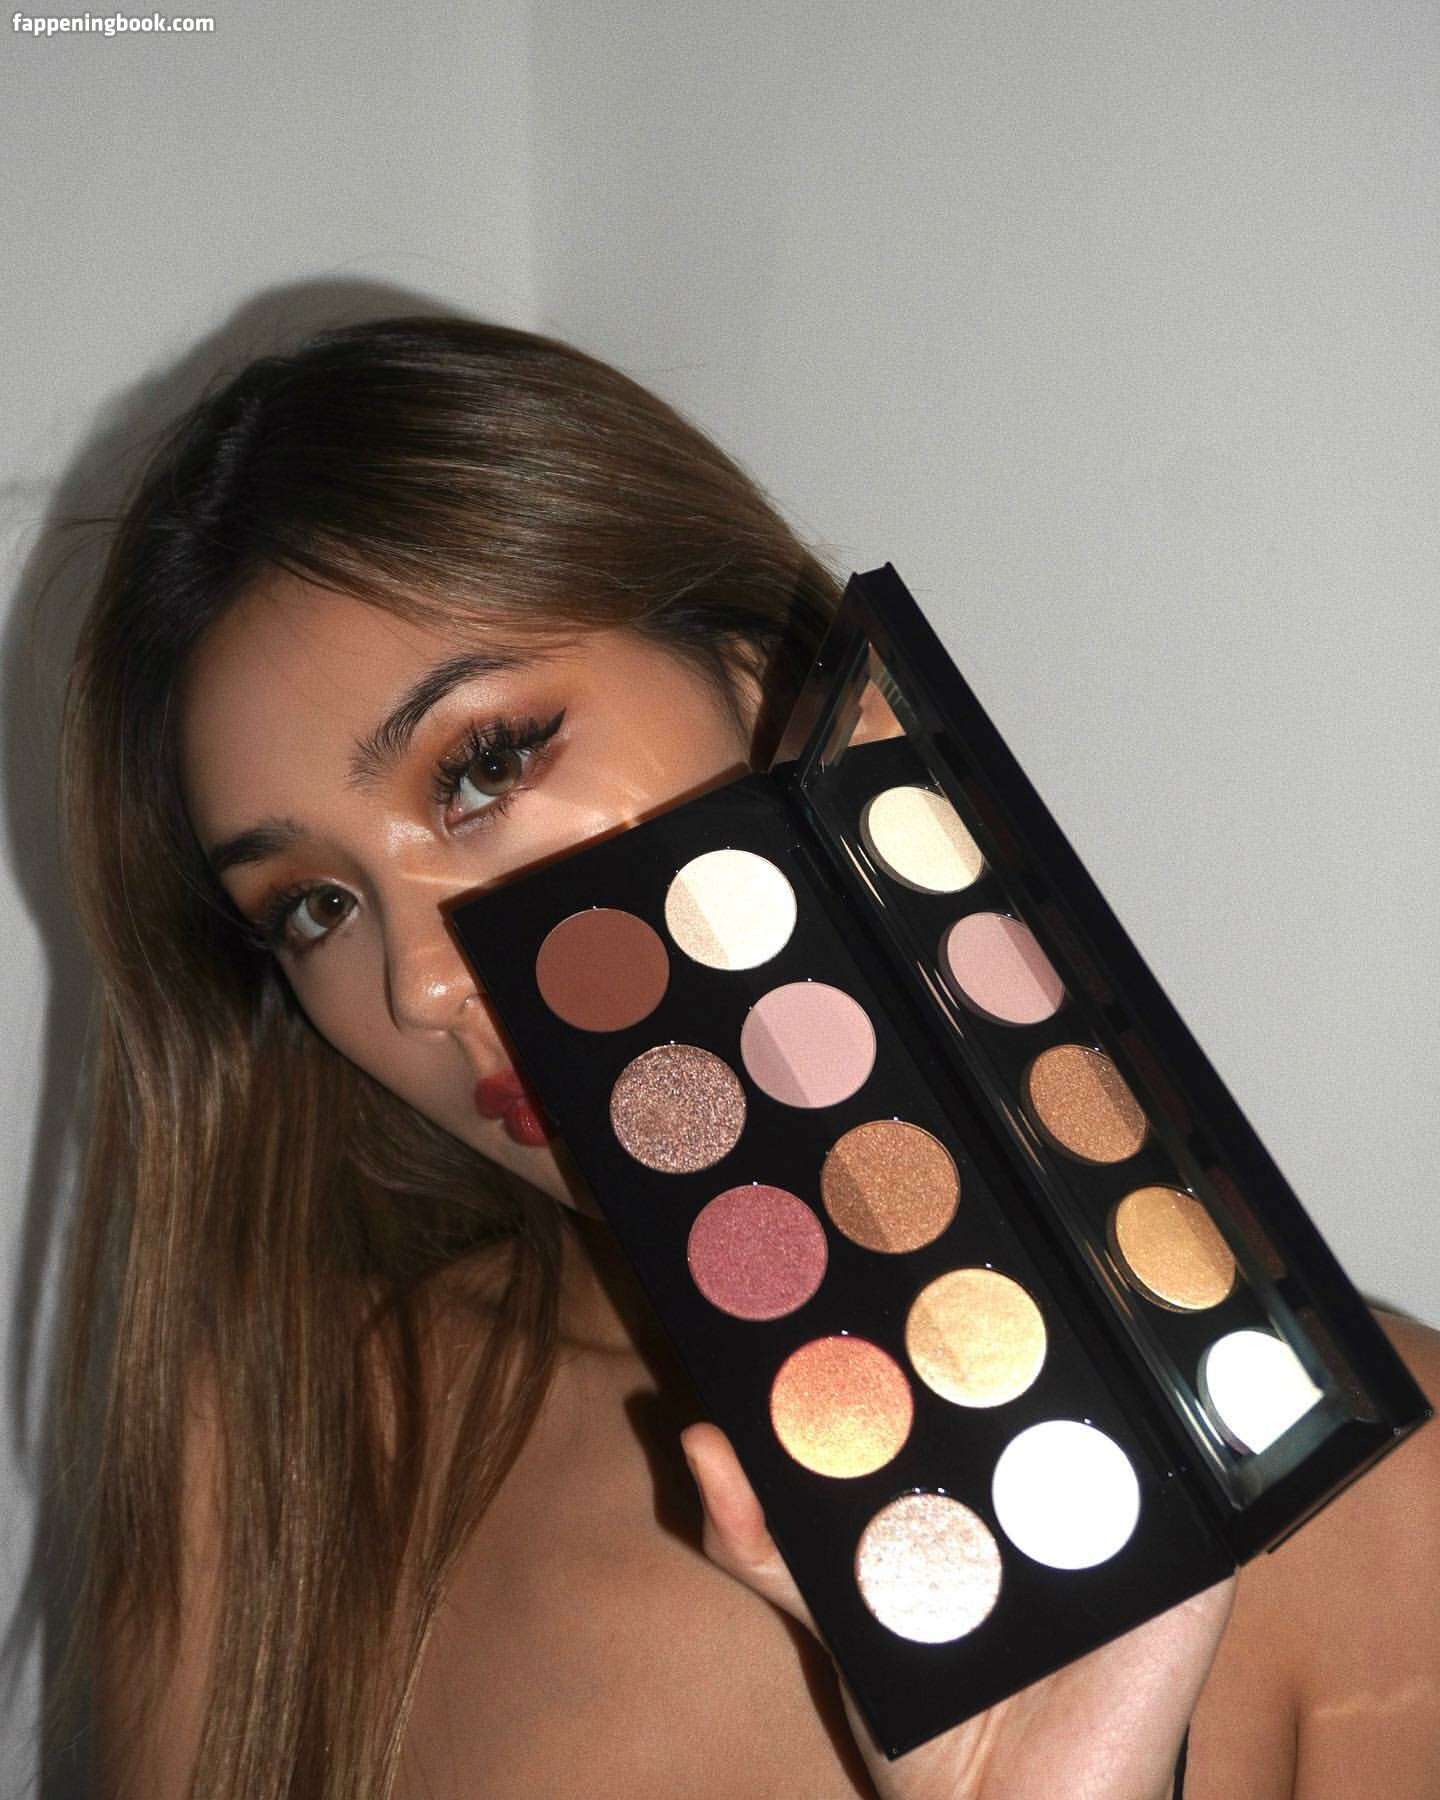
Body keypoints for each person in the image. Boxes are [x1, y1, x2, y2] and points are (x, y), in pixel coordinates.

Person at [56, 316, 1439, 1800]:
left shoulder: (1375, 1504)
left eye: (483, 766)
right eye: (313, 908)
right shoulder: (288, 1457)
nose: (421, 985)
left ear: (754, 671)